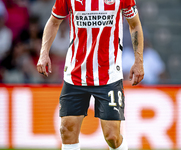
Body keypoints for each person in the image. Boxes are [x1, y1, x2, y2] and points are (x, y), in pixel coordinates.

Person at [37, 0, 144, 149]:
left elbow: (135, 25)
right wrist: (43, 54)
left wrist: (138, 61)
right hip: (76, 74)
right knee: (67, 130)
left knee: (112, 136)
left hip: (109, 74)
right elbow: (54, 21)